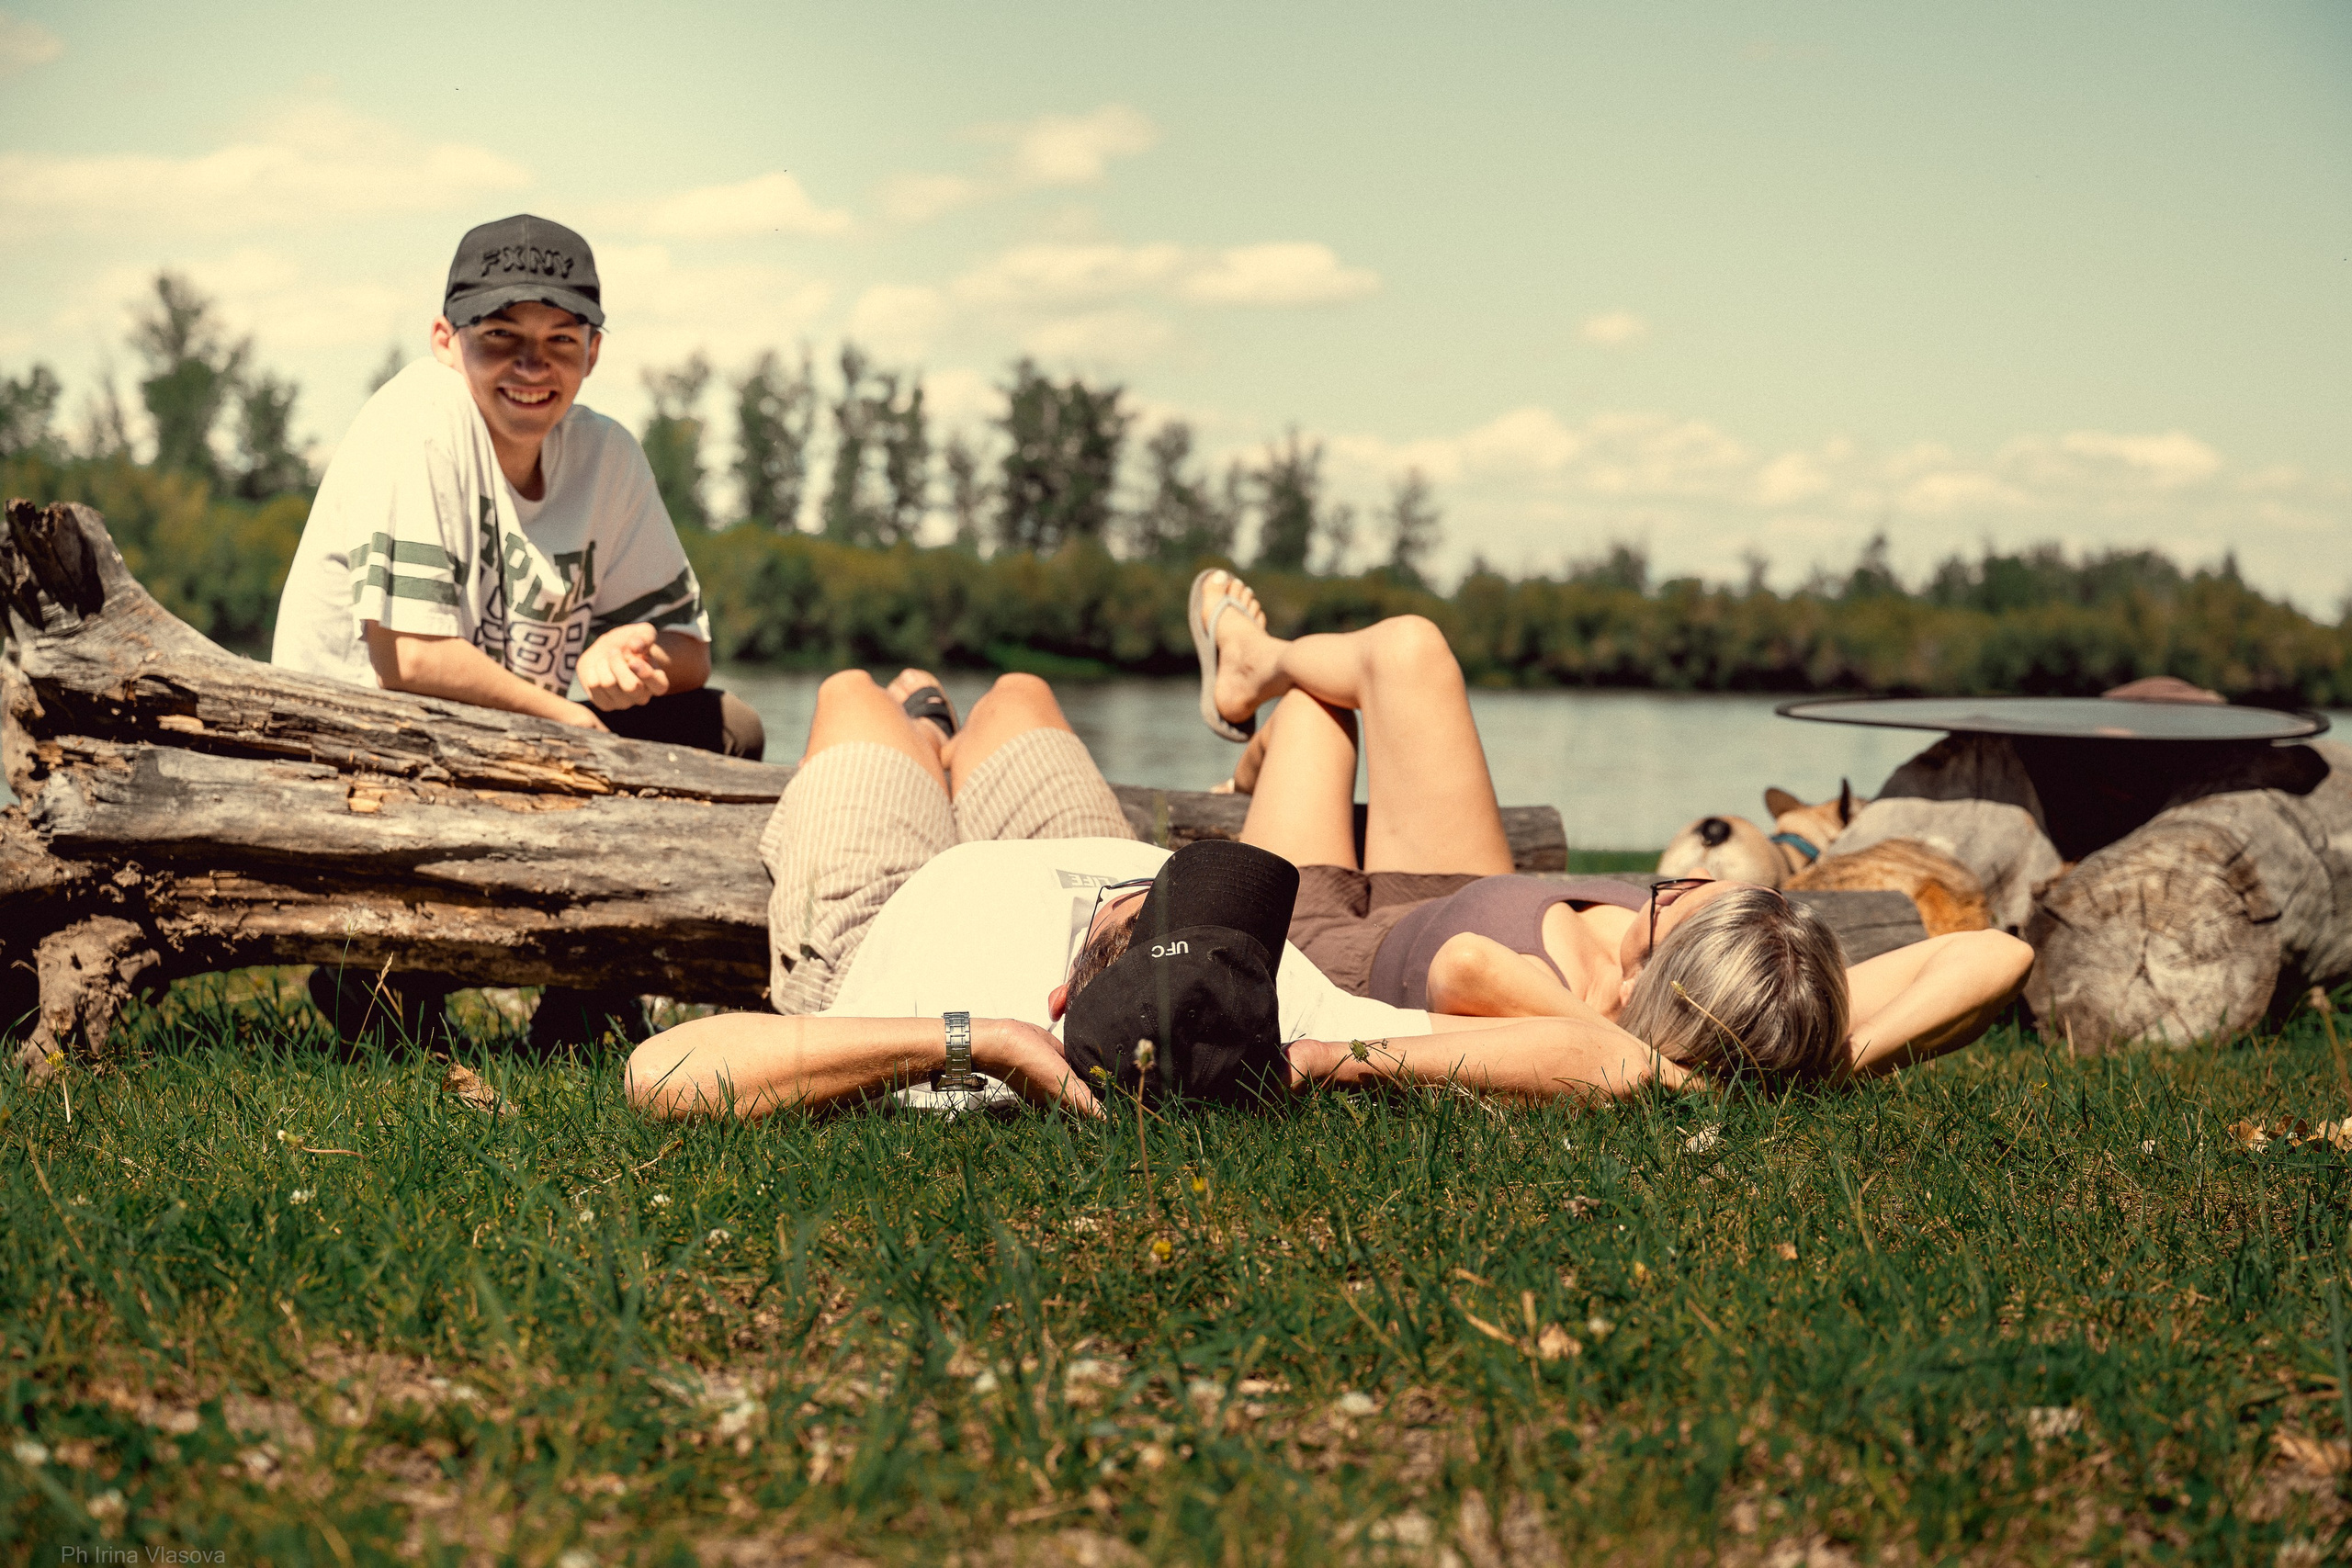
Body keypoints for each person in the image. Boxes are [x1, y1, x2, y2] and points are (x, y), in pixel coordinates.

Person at [625, 666, 1686, 1120]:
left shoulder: (970, 1057)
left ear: (1064, 993)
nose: (1147, 886)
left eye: (1140, 908)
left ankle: (920, 729)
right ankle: (948, 727)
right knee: (1022, 695)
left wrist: (976, 1040)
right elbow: (1620, 1063)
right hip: (1068, 841)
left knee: (852, 697)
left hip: (888, 904)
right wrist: (1327, 1058)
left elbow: (660, 1073)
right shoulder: (1275, 1012)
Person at [1186, 569, 2036, 1089]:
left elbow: (1465, 964)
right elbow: (1997, 955)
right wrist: (1824, 1067)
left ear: (1662, 987)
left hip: (1324, 930)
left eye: (1677, 906)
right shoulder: (1755, 985)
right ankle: (1255, 676)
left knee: (1317, 716)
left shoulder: (1566, 1015)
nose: (1677, 885)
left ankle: (1261, 740)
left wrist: (1647, 1063)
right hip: (1454, 881)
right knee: (1410, 647)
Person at [271, 213, 763, 1049]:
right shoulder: (420, 420)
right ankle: (369, 971)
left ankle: (588, 1006)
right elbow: (410, 657)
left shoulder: (607, 454)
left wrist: (626, 652)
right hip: (359, 764)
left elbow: (691, 649)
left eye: (560, 340)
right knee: (399, 1028)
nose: (532, 367)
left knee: (728, 730)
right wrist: (572, 718)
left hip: (497, 747)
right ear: (445, 339)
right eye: (501, 336)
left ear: (593, 351)